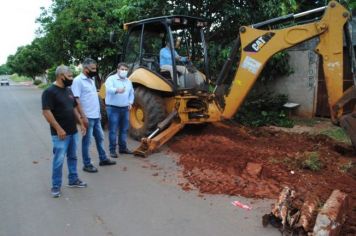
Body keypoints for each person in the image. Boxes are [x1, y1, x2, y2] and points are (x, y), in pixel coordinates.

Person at [42, 65, 87, 198]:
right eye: (69, 76)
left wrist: (80, 124)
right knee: (59, 160)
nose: (71, 78)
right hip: (60, 134)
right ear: (61, 76)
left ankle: (73, 180)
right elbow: (46, 112)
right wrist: (59, 128)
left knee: (73, 157)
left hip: (72, 132)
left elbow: (72, 108)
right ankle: (56, 186)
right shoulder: (49, 92)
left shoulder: (68, 90)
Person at [71, 58, 116, 173]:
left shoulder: (91, 80)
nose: (95, 70)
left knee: (100, 138)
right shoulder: (78, 81)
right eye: (92, 69)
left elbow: (93, 98)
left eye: (95, 68)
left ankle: (103, 159)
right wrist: (83, 117)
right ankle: (87, 164)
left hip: (96, 116)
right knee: (87, 141)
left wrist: (99, 113)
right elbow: (76, 100)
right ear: (85, 69)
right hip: (87, 117)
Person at [105, 62, 134, 157]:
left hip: (125, 109)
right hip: (113, 108)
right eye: (122, 69)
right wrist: (117, 90)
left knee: (124, 129)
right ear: (118, 69)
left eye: (126, 70)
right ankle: (112, 150)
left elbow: (131, 93)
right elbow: (108, 89)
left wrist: (130, 102)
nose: (124, 71)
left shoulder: (128, 81)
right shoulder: (111, 79)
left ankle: (122, 148)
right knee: (113, 130)